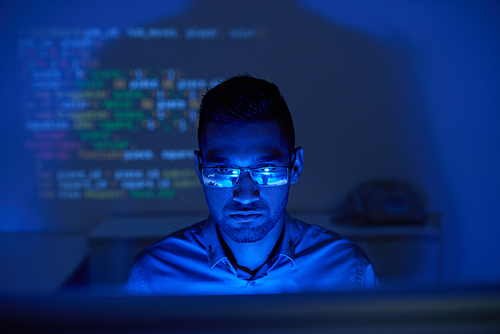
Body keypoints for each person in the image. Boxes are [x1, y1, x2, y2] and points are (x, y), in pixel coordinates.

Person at [126, 75, 378, 294]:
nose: (245, 195)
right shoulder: (152, 278)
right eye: (223, 170)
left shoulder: (348, 271)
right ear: (199, 169)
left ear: (296, 166)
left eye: (266, 169)